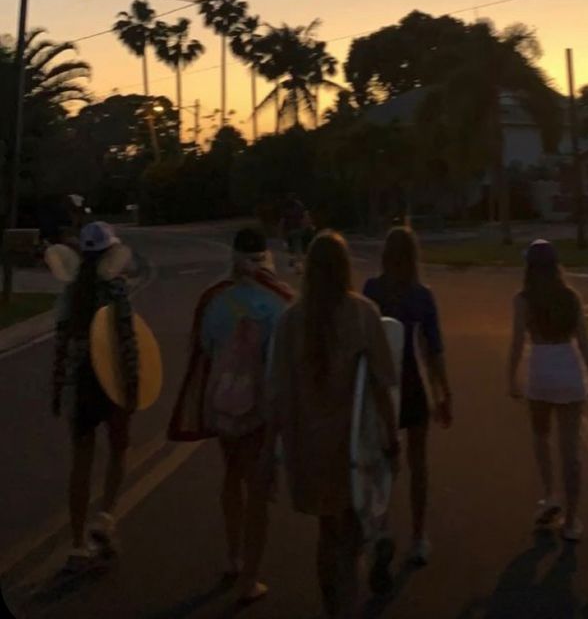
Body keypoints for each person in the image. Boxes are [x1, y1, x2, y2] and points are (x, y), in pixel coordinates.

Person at [266, 230, 399, 619]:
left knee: (328, 532)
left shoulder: (291, 320)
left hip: (307, 448)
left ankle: (335, 607)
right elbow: (380, 383)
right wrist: (392, 438)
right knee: (351, 531)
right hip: (353, 447)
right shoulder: (362, 313)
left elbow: (278, 393)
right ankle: (348, 601)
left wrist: (266, 457)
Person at [168, 226, 292, 604]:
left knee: (232, 475)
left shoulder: (214, 300)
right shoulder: (279, 302)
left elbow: (203, 346)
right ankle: (249, 579)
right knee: (258, 488)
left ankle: (234, 555)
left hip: (221, 401)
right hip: (259, 406)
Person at [363, 226, 452, 575]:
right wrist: (445, 392)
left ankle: (379, 528)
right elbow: (434, 351)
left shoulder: (371, 290)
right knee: (418, 463)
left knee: (380, 462)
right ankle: (418, 536)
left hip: (378, 388)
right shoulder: (421, 295)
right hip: (413, 385)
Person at [51, 221, 139, 574]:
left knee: (81, 463)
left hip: (80, 386)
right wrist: (133, 387)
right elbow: (128, 343)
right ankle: (105, 517)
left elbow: (60, 345)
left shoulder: (70, 294)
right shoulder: (116, 291)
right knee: (119, 450)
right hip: (112, 383)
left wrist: (58, 390)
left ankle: (76, 544)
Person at [507, 238, 588, 541]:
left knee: (540, 436)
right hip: (568, 371)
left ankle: (551, 494)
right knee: (571, 450)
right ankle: (572, 521)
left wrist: (510, 377)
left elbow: (516, 342)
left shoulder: (523, 299)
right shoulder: (571, 297)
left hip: (540, 370)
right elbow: (585, 344)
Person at [280, 193, 308, 272]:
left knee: (296, 243)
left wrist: (304, 226)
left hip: (296, 228)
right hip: (290, 228)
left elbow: (303, 216)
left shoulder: (297, 206)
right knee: (292, 244)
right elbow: (284, 218)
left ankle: (297, 262)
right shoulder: (288, 206)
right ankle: (295, 260)